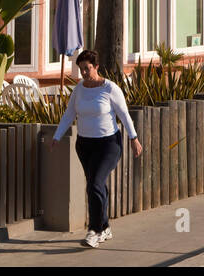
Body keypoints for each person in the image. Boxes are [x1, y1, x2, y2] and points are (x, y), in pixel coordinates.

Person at [51, 49, 143, 248]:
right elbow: (69, 114)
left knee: (94, 184)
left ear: (96, 67)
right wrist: (57, 136)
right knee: (97, 185)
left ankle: (95, 231)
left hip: (108, 144)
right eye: (81, 69)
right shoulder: (79, 90)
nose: (84, 73)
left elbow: (124, 115)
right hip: (85, 145)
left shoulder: (110, 88)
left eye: (87, 68)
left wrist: (133, 138)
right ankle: (105, 226)